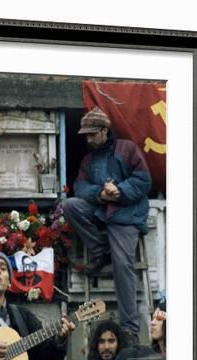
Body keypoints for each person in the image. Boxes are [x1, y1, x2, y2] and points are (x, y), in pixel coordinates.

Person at [62, 107, 152, 347]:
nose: (88, 139)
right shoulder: (88, 159)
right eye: (86, 135)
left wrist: (119, 191)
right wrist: (101, 193)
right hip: (102, 210)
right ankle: (101, 251)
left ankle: (130, 329)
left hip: (126, 214)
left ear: (104, 131)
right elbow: (79, 186)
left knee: (123, 266)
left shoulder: (127, 148)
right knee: (70, 205)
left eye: (92, 134)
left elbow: (144, 180)